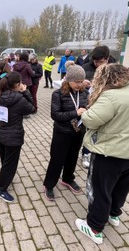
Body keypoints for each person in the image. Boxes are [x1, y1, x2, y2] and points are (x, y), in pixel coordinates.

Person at [76, 64, 129, 244]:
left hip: (111, 153)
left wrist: (84, 112)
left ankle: (94, 227)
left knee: (101, 190)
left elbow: (91, 120)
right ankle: (114, 214)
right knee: (122, 186)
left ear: (105, 78)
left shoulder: (111, 96)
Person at [43, 63, 88, 201]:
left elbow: (86, 106)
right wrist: (75, 112)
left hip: (78, 131)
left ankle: (68, 178)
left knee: (73, 157)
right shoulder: (58, 94)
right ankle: (49, 184)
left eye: (82, 81)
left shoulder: (84, 92)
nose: (80, 85)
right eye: (77, 82)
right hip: (62, 132)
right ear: (68, 80)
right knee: (57, 158)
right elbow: (55, 115)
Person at [0, 72, 36, 202]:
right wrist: (26, 92)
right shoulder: (20, 99)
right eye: (21, 83)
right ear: (17, 85)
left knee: (5, 161)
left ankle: (6, 178)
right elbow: (32, 109)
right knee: (10, 164)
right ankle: (0, 189)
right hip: (13, 138)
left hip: (1, 134)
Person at [81, 45, 116, 168]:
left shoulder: (115, 69)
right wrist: (82, 83)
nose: (97, 64)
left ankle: (101, 153)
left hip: (108, 104)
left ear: (107, 59)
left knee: (105, 130)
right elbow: (76, 83)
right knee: (90, 128)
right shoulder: (85, 68)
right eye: (95, 61)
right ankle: (86, 153)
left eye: (100, 62)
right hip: (91, 104)